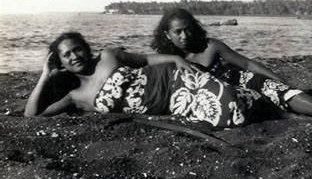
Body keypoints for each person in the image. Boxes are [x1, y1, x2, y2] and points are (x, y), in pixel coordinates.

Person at [151, 8, 312, 131]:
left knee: (283, 92)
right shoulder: (165, 59)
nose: (185, 36)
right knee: (261, 100)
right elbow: (139, 60)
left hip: (239, 78)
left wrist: (281, 80)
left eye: (188, 29)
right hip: (228, 94)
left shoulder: (211, 46)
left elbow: (248, 64)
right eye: (178, 32)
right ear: (167, 34)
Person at [25, 32, 265, 128]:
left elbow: (147, 60)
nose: (74, 56)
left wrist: (176, 59)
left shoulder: (108, 56)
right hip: (176, 105)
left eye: (77, 49)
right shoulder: (75, 98)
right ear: (61, 63)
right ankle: (264, 102)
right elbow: (31, 117)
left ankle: (274, 103)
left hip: (176, 80)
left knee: (233, 105)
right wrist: (45, 75)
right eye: (66, 55)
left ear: (87, 49)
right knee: (232, 116)